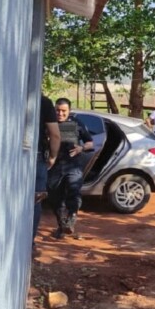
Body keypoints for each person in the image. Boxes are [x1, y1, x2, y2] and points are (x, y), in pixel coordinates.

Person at [47, 98, 94, 239]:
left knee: (74, 192)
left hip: (73, 165)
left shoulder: (76, 124)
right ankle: (62, 226)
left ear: (69, 111)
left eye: (63, 111)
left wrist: (81, 148)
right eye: (57, 110)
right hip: (53, 167)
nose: (60, 113)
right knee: (55, 199)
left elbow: (90, 143)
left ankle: (72, 217)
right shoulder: (48, 123)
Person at [33, 95, 60, 249]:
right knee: (35, 199)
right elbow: (55, 135)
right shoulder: (43, 101)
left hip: (10, 153)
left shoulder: (10, 93)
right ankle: (29, 244)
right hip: (37, 155)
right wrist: (52, 157)